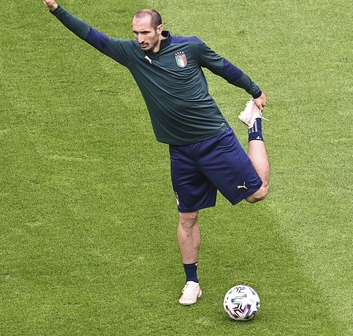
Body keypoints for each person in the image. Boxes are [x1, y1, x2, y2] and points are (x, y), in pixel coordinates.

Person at [41, 0, 270, 306]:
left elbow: (224, 67)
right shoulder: (132, 55)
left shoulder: (191, 48)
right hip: (181, 151)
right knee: (187, 216)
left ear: (160, 29)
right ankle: (192, 282)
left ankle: (254, 126)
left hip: (215, 140)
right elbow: (93, 37)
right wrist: (58, 10)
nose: (140, 39)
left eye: (145, 32)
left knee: (258, 193)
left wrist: (254, 92)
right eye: (135, 33)